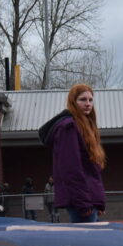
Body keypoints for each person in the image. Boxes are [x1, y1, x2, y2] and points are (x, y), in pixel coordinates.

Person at [38, 83, 106, 223]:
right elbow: (71, 168)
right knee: (85, 242)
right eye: (82, 100)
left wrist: (97, 201)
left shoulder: (86, 126)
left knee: (90, 240)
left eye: (90, 100)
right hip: (81, 200)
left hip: (87, 198)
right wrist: (84, 202)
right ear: (73, 102)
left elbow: (92, 170)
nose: (88, 104)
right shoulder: (69, 127)